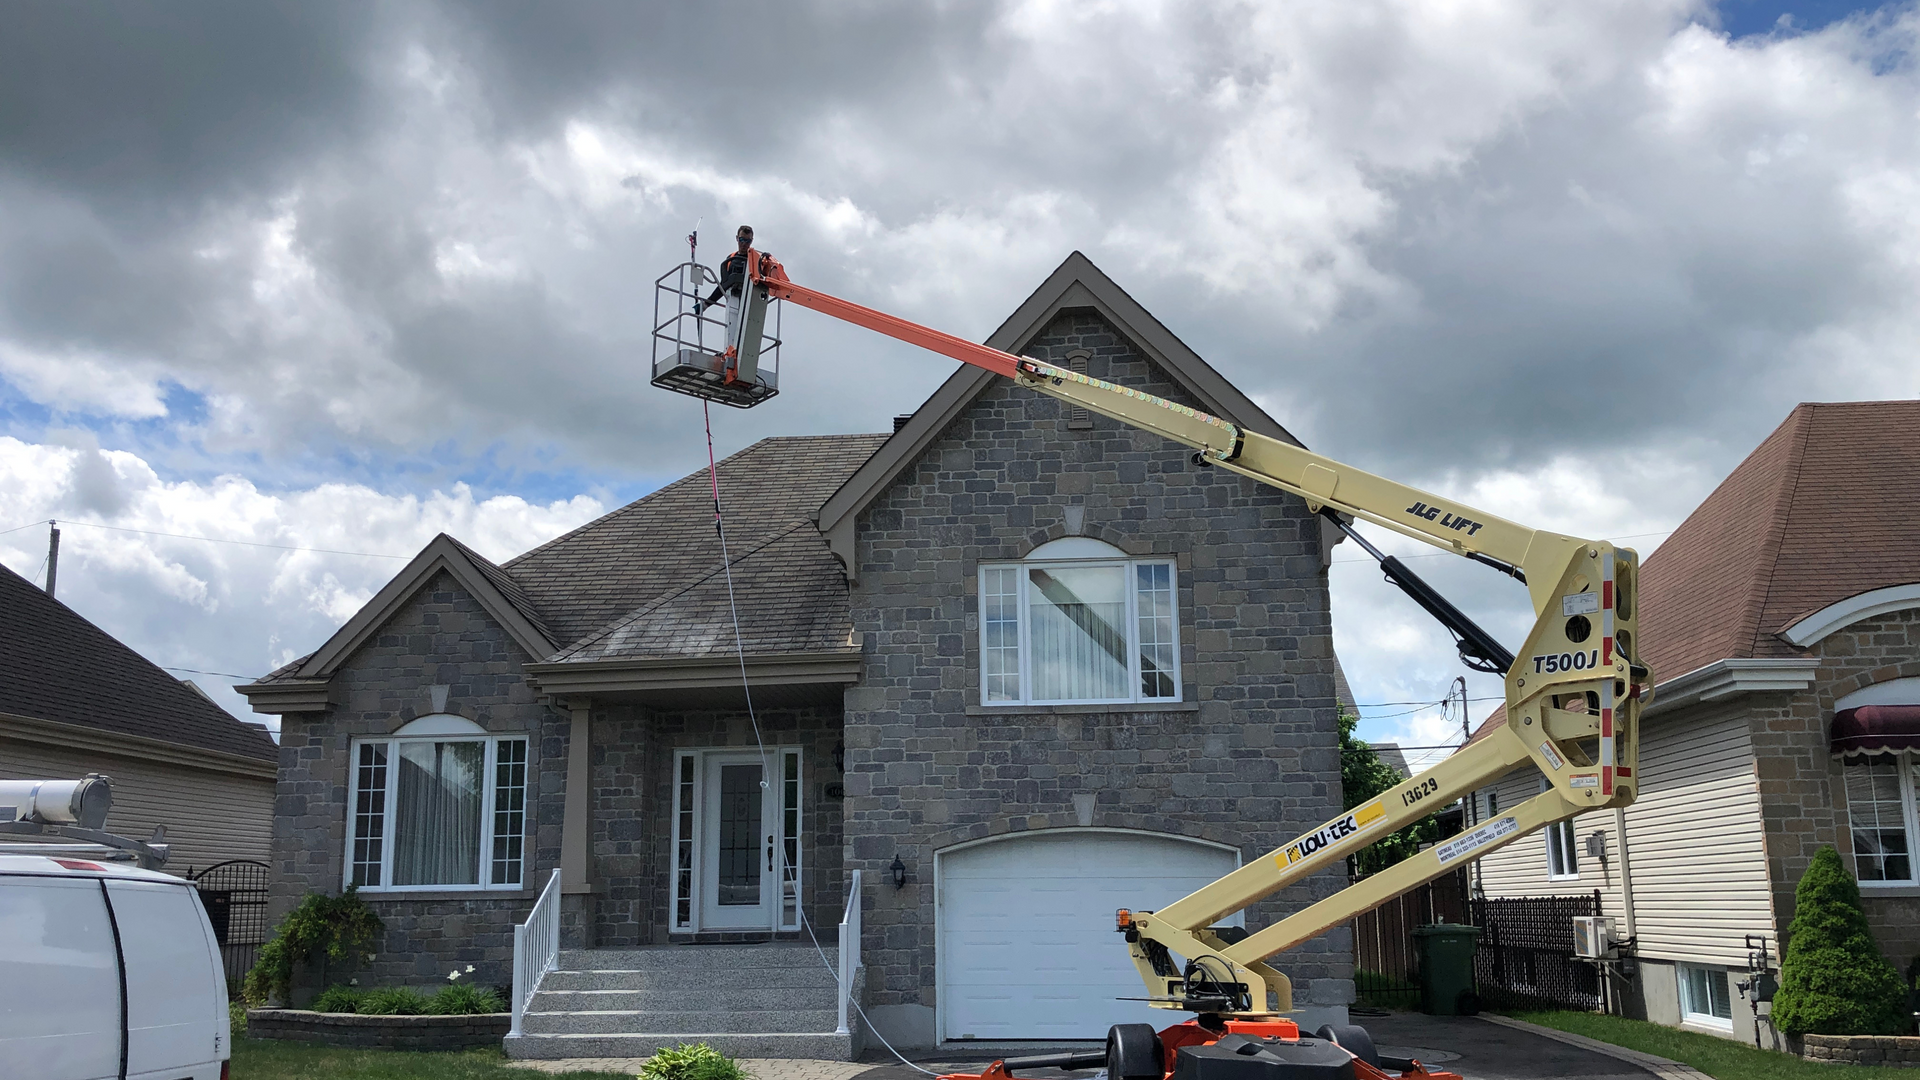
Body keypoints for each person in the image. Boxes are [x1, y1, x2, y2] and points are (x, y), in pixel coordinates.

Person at [694, 225, 756, 350]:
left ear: (751, 241)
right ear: (737, 239)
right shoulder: (730, 259)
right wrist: (705, 304)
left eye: (748, 241)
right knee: (733, 330)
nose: (744, 244)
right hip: (732, 299)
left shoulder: (755, 261)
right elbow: (724, 285)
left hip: (748, 302)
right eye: (742, 240)